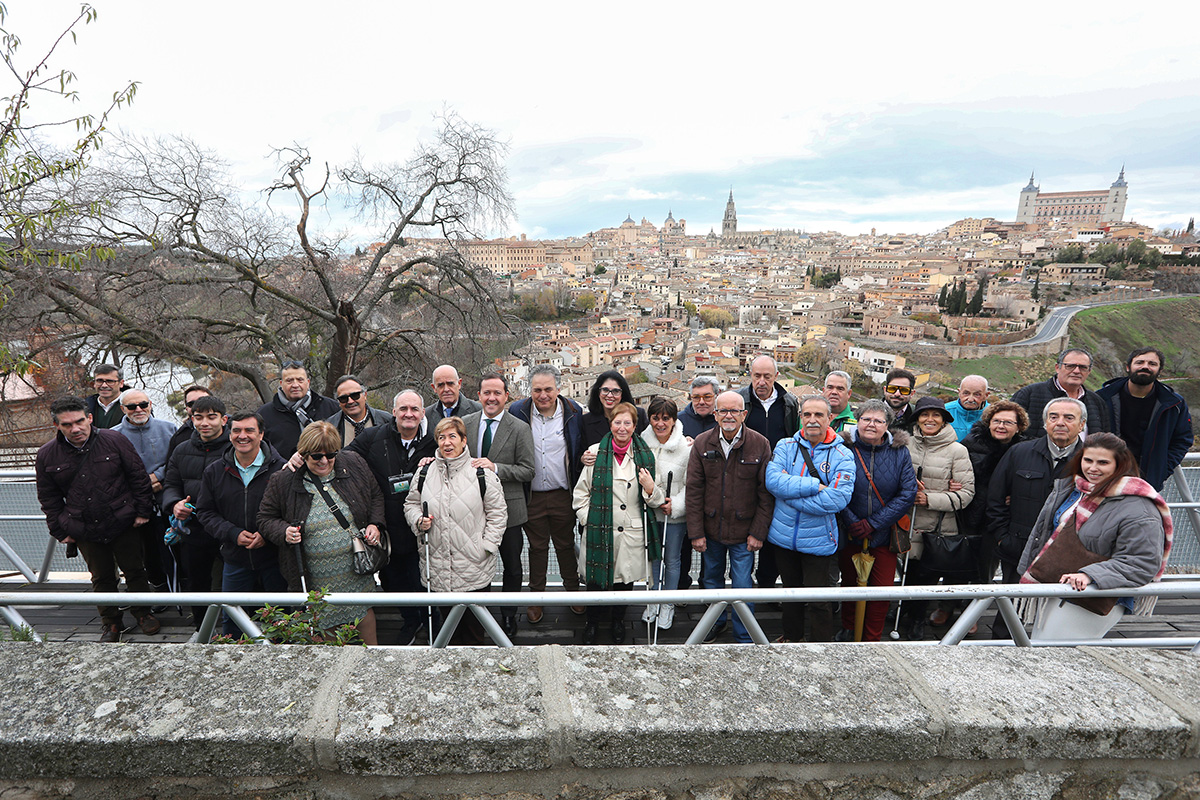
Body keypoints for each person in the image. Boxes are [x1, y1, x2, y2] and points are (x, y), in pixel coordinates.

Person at [1017, 432, 1172, 640]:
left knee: (1054, 655)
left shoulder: (1139, 506)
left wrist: (1090, 575)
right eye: (1087, 460)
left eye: (1103, 462)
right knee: (1042, 651)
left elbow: (1142, 562)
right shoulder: (1074, 488)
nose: (1092, 468)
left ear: (1120, 465)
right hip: (1058, 586)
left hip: (1095, 593)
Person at [36, 396, 158, 642]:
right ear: (56, 426)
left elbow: (138, 478)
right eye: (67, 424)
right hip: (83, 526)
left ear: (90, 418)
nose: (76, 428)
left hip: (122, 520)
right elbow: (48, 498)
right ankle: (111, 623)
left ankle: (143, 613)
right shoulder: (47, 455)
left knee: (135, 570)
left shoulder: (114, 440)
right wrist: (60, 531)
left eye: (80, 421)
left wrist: (143, 512)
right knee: (101, 577)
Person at [259, 421, 385, 645]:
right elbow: (265, 518)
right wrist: (284, 531)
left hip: (356, 572)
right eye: (317, 456)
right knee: (328, 644)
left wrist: (375, 523)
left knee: (368, 637)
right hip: (316, 579)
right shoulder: (284, 480)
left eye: (331, 454)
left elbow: (375, 495)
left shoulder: (354, 463)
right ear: (304, 453)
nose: (325, 461)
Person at [403, 417, 507, 646]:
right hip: (438, 567)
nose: (447, 443)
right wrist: (418, 521)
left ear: (463, 440)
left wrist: (486, 548)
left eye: (452, 436)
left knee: (474, 631)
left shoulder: (482, 475)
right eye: (441, 437)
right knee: (448, 632)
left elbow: (498, 515)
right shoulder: (424, 473)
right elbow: (410, 504)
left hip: (474, 567)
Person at [346, 389, 437, 645]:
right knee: (392, 580)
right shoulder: (374, 437)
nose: (409, 414)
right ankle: (410, 620)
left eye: (415, 409)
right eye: (403, 409)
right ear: (393, 412)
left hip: (420, 526)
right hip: (385, 525)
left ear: (422, 413)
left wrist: (437, 458)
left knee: (421, 579)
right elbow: (345, 458)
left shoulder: (433, 441)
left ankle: (432, 627)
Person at [765, 395, 855, 643]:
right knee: (791, 595)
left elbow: (837, 500)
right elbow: (772, 482)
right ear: (800, 417)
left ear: (830, 418)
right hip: (784, 538)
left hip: (818, 541)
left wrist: (788, 495)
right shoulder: (785, 446)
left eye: (818, 415)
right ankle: (792, 639)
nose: (812, 420)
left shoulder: (842, 455)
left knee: (818, 600)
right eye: (807, 414)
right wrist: (816, 486)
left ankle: (820, 645)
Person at [686, 391, 774, 643]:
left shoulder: (760, 444)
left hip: (744, 533)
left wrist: (758, 533)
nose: (728, 416)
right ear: (715, 414)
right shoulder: (702, 443)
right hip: (711, 531)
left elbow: (765, 494)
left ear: (744, 414)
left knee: (743, 586)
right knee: (710, 580)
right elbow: (694, 491)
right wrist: (696, 533)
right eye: (723, 410)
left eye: (734, 411)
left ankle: (745, 636)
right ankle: (714, 625)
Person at [573, 402, 664, 645]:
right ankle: (592, 622)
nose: (622, 428)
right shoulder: (594, 452)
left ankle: (617, 621)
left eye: (627, 423)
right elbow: (580, 495)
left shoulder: (646, 457)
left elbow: (656, 500)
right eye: (617, 422)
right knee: (595, 582)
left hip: (631, 532)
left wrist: (650, 487)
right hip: (598, 531)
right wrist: (588, 520)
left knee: (625, 583)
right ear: (610, 424)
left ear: (635, 426)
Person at [195, 411, 287, 637]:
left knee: (282, 620)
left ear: (261, 434)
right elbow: (205, 512)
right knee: (233, 622)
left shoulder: (282, 469)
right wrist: (232, 533)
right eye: (236, 430)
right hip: (235, 557)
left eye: (249, 430)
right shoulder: (215, 471)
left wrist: (267, 534)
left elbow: (293, 512)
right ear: (229, 434)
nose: (242, 436)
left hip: (275, 559)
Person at [508, 365, 586, 623]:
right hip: (531, 495)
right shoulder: (518, 411)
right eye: (537, 390)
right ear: (529, 390)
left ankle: (573, 592)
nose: (542, 395)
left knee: (565, 545)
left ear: (558, 389)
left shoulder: (574, 412)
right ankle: (536, 598)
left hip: (563, 493)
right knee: (537, 548)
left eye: (548, 389)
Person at [836, 400, 917, 642]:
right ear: (857, 421)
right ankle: (849, 627)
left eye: (878, 421)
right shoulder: (843, 448)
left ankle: (872, 637)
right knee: (850, 583)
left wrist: (873, 524)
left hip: (884, 533)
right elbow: (834, 487)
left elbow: (907, 492)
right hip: (850, 530)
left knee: (881, 589)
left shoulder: (899, 452)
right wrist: (853, 522)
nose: (871, 424)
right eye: (866, 419)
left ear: (888, 426)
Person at [463, 373, 534, 637]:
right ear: (478, 395)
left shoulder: (519, 428)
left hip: (510, 511)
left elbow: (528, 471)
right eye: (486, 393)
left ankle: (508, 616)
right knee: (474, 565)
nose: (491, 398)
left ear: (506, 396)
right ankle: (477, 615)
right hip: (472, 511)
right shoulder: (466, 424)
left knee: (512, 567)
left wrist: (495, 468)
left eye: (497, 393)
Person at [903, 396, 975, 639]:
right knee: (906, 574)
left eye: (936, 415)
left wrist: (930, 499)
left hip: (938, 529)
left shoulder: (957, 451)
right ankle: (904, 612)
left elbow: (966, 494)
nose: (930, 419)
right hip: (906, 525)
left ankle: (917, 619)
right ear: (918, 418)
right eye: (925, 414)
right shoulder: (905, 445)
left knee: (926, 578)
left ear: (944, 420)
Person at [161, 395, 231, 629]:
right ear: (191, 419)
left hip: (228, 525)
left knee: (234, 579)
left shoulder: (236, 446)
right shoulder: (181, 449)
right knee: (197, 580)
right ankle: (202, 628)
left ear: (224, 419)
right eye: (198, 418)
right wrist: (174, 504)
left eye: (211, 417)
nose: (205, 423)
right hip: (194, 527)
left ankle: (236, 627)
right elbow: (170, 484)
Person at [739, 356, 798, 595]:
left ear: (776, 376)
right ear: (750, 375)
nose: (761, 381)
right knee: (743, 535)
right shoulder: (741, 401)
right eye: (757, 376)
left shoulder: (789, 403)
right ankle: (743, 589)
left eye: (767, 376)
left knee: (772, 536)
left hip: (777, 481)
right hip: (744, 480)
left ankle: (765, 586)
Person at [1096, 347, 1193, 491]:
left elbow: (1182, 439)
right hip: (1105, 477)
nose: (1145, 367)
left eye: (1152, 364)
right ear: (1128, 367)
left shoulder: (1174, 404)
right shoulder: (1103, 398)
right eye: (1139, 362)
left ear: (1160, 370)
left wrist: (1161, 469)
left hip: (1148, 482)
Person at [113, 388, 176, 596]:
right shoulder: (112, 436)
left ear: (150, 405)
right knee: (144, 551)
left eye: (143, 404)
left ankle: (178, 588)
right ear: (123, 409)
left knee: (171, 547)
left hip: (165, 498)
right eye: (131, 406)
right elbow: (111, 470)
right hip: (133, 504)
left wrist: (157, 477)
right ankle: (157, 587)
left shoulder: (169, 428)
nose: (138, 409)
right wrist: (143, 483)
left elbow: (177, 460)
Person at [959, 400, 1031, 582]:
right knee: (961, 562)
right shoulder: (971, 443)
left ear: (1019, 427)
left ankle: (978, 604)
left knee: (987, 565)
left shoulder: (1025, 452)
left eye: (1008, 422)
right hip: (969, 513)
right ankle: (949, 607)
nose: (1001, 426)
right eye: (996, 421)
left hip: (1001, 518)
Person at [639, 395, 691, 630]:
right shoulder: (641, 442)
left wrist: (677, 505)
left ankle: (667, 602)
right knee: (653, 559)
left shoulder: (686, 448)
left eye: (665, 419)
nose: (660, 423)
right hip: (649, 515)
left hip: (674, 516)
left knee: (672, 559)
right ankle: (653, 599)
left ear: (673, 420)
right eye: (655, 418)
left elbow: (692, 485)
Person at [675, 374, 720, 588]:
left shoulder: (726, 421)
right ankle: (683, 589)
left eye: (707, 396)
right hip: (685, 496)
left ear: (716, 397)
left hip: (716, 498)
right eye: (696, 397)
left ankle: (706, 591)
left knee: (711, 552)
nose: (701, 402)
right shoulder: (678, 422)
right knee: (682, 548)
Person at [1012, 348, 1111, 439]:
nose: (1076, 371)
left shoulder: (1097, 402)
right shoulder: (1028, 395)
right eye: (1070, 366)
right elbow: (1011, 435)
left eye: (1083, 367)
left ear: (1089, 371)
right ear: (1057, 368)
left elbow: (1104, 441)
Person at [257, 360, 340, 459]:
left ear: (308, 382)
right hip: (282, 472)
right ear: (281, 384)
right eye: (289, 381)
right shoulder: (264, 414)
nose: (295, 385)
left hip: (326, 469)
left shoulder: (332, 408)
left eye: (300, 380)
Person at [582, 370, 649, 449]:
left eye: (616, 391)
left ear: (623, 394)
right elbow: (578, 453)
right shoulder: (586, 421)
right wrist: (583, 458)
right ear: (598, 392)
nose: (610, 395)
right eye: (605, 390)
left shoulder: (639, 415)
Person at [326, 374, 393, 447]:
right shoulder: (329, 428)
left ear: (365, 395)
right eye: (343, 398)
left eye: (355, 395)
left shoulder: (387, 421)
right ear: (338, 402)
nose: (350, 401)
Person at [424, 364, 482, 430]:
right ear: (434, 388)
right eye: (440, 385)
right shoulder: (426, 417)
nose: (446, 389)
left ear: (459, 384)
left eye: (450, 384)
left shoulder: (478, 411)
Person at [166, 384, 212, 463]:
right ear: (187, 409)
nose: (198, 407)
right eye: (192, 404)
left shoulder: (233, 428)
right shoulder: (179, 438)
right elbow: (171, 470)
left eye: (203, 401)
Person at [945, 375, 989, 442]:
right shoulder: (945, 411)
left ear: (986, 395)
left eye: (977, 394)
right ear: (959, 392)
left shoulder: (993, 414)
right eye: (966, 393)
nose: (970, 399)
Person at [85, 363, 126, 429]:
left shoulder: (135, 406)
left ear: (121, 383)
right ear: (94, 383)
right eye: (99, 381)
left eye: (110, 381)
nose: (104, 385)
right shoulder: (84, 406)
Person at [882, 368, 918, 434]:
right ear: (885, 390)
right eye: (892, 389)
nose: (897, 394)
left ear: (912, 393)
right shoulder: (868, 412)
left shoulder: (917, 416)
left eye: (904, 390)